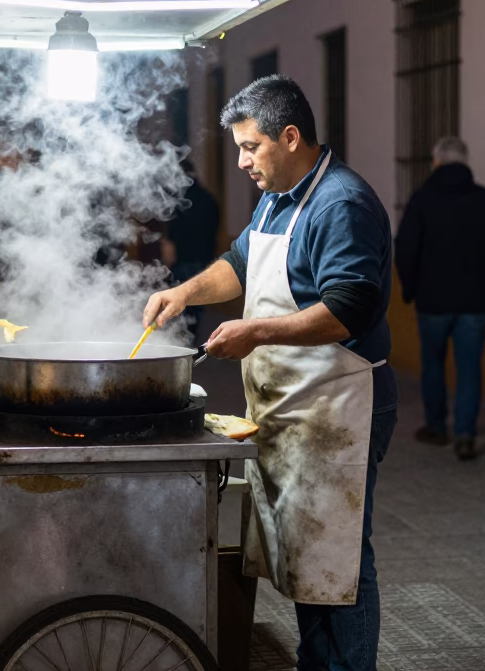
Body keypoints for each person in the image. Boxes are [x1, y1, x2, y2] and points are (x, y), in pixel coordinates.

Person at [143, 75, 397, 671]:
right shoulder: (279, 195)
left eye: (250, 147)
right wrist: (185, 292)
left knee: (340, 561)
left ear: (290, 136)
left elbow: (349, 308)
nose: (241, 162)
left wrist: (254, 331)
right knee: (309, 558)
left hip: (341, 403)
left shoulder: (340, 203)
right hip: (293, 405)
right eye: (237, 148)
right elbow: (239, 261)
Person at [394, 136, 485, 461]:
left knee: (433, 364)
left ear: (437, 162)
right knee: (470, 368)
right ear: (465, 161)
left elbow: (405, 249)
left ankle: (436, 427)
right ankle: (465, 435)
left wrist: (410, 287)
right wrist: (482, 274)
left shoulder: (422, 201)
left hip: (432, 301)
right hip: (474, 301)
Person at [163, 159, 221, 341]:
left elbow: (173, 233)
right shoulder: (209, 198)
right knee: (197, 303)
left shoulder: (181, 200)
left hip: (184, 258)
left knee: (181, 303)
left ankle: (182, 342)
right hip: (204, 258)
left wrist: (169, 251)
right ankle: (191, 338)